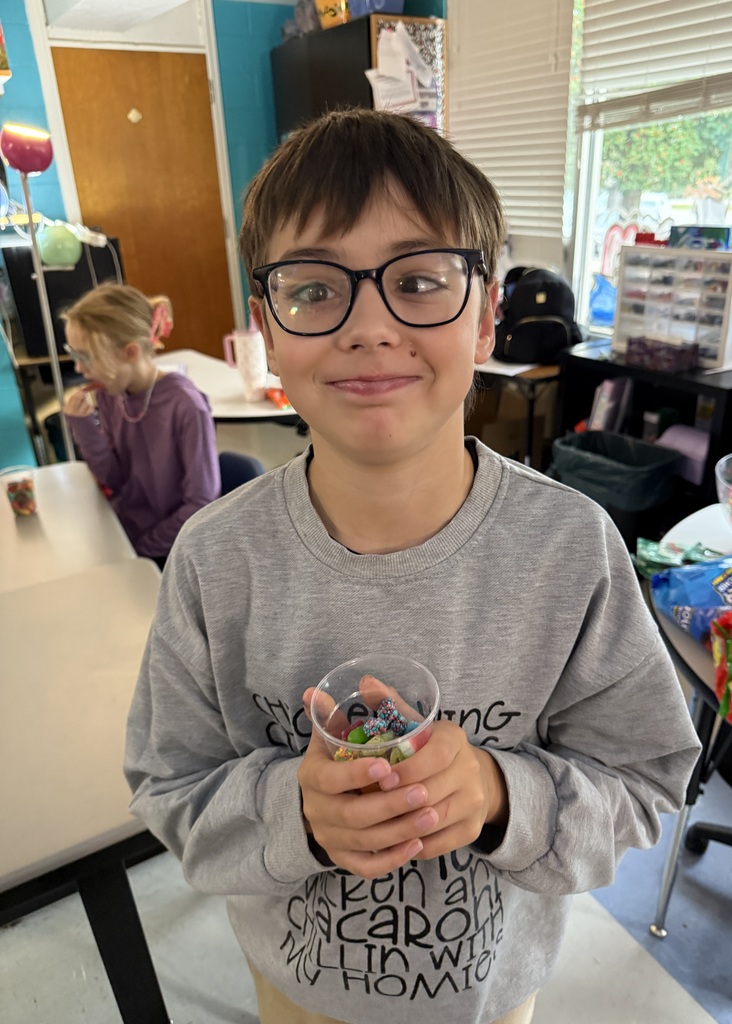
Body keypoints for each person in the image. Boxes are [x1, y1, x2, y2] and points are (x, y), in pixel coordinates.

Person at [124, 109, 701, 1024]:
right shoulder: (214, 559)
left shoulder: (571, 550)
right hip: (297, 996)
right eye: (315, 289)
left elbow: (646, 780)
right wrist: (297, 810)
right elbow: (169, 786)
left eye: (421, 280)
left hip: (491, 1001)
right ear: (267, 328)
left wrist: (502, 795)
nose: (369, 327)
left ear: (486, 318)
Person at [62, 283, 220, 568]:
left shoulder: (186, 406)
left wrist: (141, 549)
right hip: (126, 533)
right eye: (73, 354)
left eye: (85, 357)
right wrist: (84, 427)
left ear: (131, 352)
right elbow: (114, 479)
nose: (79, 368)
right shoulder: (112, 393)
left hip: (172, 549)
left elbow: (201, 504)